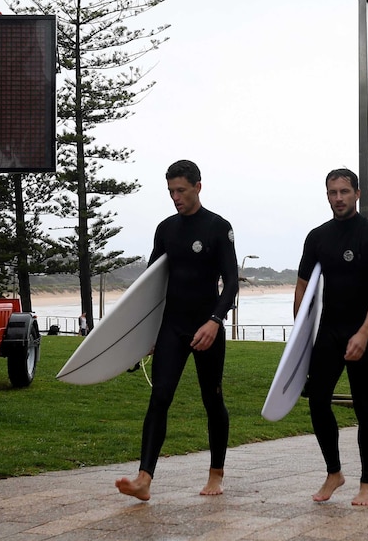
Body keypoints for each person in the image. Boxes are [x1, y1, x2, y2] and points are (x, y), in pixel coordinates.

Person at [116, 160, 238, 501]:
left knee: (212, 400)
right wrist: (147, 332)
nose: (175, 197)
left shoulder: (218, 227)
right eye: (171, 191)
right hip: (172, 326)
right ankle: (144, 479)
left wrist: (215, 321)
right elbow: (151, 284)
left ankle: (216, 473)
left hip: (206, 326)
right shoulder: (166, 229)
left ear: (198, 187)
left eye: (181, 190)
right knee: (160, 397)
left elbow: (230, 283)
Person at [293, 168, 368, 507]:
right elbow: (303, 287)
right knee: (318, 401)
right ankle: (334, 472)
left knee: (365, 408)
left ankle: (367, 484)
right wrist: (300, 339)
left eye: (344, 192)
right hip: (329, 333)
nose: (338, 198)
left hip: (363, 332)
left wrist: (364, 333)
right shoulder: (317, 237)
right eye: (332, 192)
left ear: (357, 193)